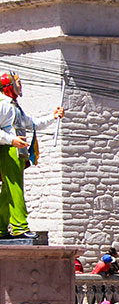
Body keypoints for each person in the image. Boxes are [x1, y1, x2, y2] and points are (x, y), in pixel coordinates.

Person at [0, 70, 64, 239]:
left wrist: (52, 117)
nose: (20, 85)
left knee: (8, 190)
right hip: (9, 150)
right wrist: (11, 140)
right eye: (17, 82)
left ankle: (0, 226)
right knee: (15, 188)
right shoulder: (3, 104)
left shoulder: (14, 106)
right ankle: (20, 226)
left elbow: (32, 123)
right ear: (9, 86)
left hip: (18, 151)